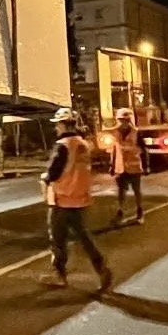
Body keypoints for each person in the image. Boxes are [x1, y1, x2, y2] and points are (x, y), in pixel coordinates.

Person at [40, 107, 113, 292]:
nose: (56, 128)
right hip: (80, 199)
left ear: (64, 124)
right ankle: (101, 268)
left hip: (62, 199)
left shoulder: (63, 146)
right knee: (85, 237)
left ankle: (59, 274)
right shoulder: (83, 144)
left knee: (57, 239)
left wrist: (44, 178)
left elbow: (54, 173)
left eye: (57, 124)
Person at [110, 107, 148, 225]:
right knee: (121, 192)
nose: (123, 122)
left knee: (137, 191)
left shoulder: (136, 133)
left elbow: (144, 150)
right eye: (121, 120)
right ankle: (120, 213)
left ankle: (140, 212)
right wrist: (111, 166)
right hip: (120, 168)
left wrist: (146, 166)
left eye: (126, 120)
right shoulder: (115, 132)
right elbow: (114, 150)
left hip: (134, 168)